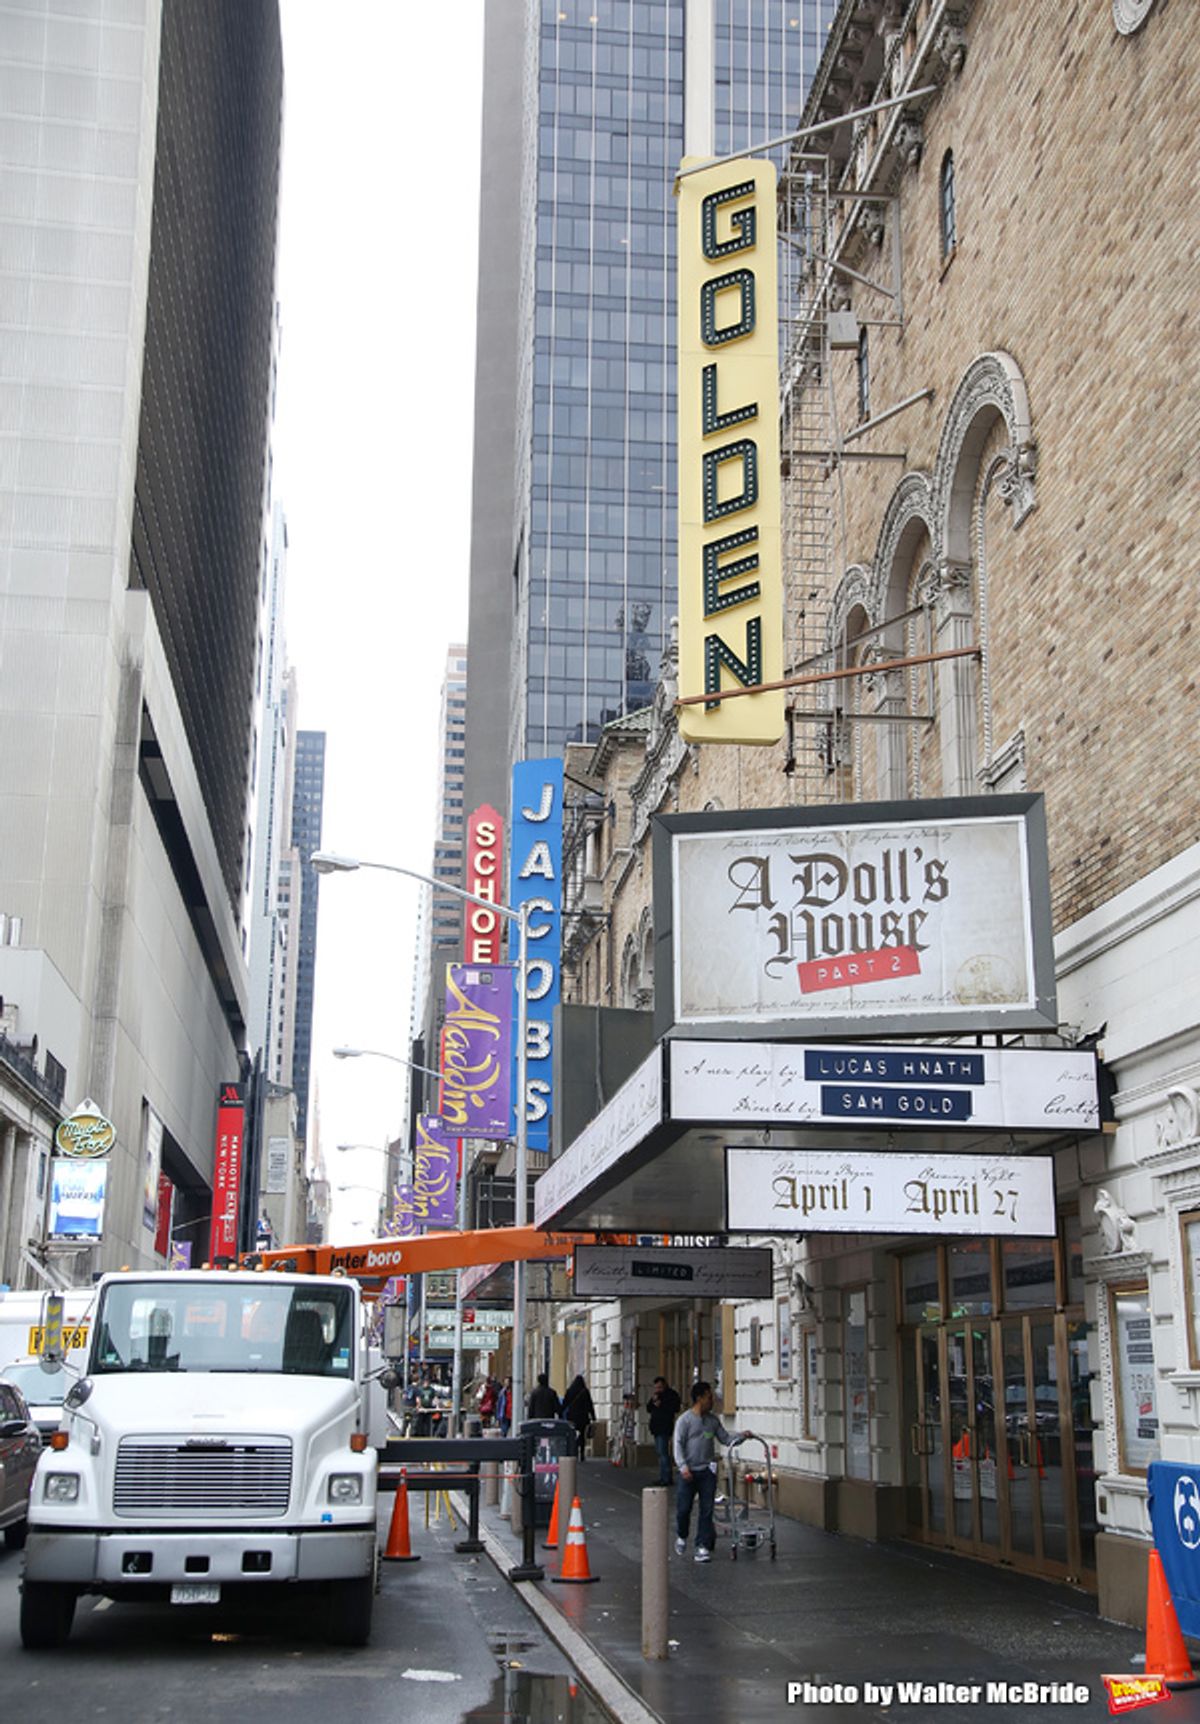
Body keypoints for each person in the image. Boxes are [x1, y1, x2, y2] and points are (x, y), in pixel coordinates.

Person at [673, 1380, 750, 1563]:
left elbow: (725, 1438)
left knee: (707, 1510)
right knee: (684, 1509)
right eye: (709, 1397)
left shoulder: (712, 1421)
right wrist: (683, 1466)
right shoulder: (685, 1421)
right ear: (699, 1398)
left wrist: (742, 1437)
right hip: (688, 1472)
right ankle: (682, 1535)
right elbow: (677, 1445)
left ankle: (702, 1546)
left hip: (707, 1471)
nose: (712, 1401)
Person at [647, 1375, 682, 1485]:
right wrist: (654, 1402)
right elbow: (648, 1408)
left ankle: (666, 1477)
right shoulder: (655, 1396)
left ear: (664, 1386)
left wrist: (661, 1405)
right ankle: (663, 1476)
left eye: (660, 1387)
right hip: (656, 1427)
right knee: (660, 1452)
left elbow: (675, 1408)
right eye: (656, 1388)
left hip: (664, 1427)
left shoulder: (671, 1395)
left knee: (663, 1453)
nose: (658, 1390)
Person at [561, 1374, 595, 1457]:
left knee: (573, 1434)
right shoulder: (585, 1391)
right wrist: (593, 1416)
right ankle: (582, 1453)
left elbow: (565, 1403)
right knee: (582, 1434)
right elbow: (589, 1404)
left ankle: (574, 1451)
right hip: (583, 1417)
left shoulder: (570, 1390)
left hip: (572, 1417)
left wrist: (560, 1413)